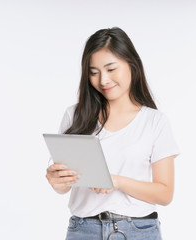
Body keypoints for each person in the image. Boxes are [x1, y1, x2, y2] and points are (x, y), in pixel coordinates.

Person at [46, 27, 180, 240]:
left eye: (111, 69)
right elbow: (65, 185)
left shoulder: (154, 121)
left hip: (138, 231)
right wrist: (58, 182)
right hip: (83, 230)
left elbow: (164, 194)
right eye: (94, 72)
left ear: (131, 64)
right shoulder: (75, 115)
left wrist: (116, 181)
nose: (103, 80)